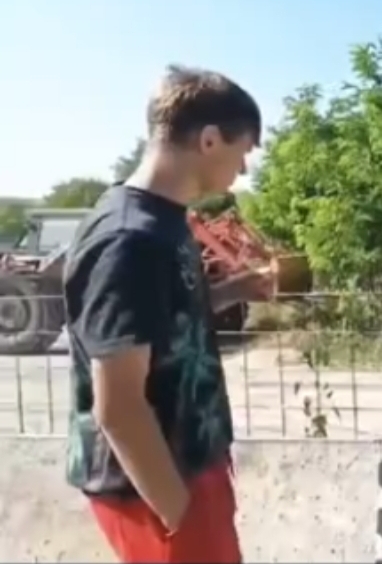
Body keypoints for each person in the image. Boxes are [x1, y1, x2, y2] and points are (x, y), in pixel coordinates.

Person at [63, 65, 271, 563]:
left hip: (189, 466)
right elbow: (119, 408)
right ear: (209, 140)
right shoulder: (127, 240)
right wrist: (179, 512)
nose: (244, 170)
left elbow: (165, 321)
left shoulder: (166, 220)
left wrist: (238, 289)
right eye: (244, 151)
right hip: (156, 489)